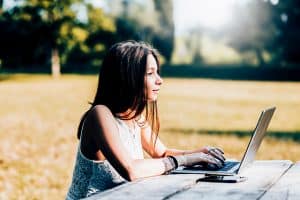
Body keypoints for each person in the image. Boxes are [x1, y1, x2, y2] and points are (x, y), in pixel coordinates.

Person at [66, 40, 226, 200]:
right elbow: (131, 170)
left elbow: (162, 153)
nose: (159, 80)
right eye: (150, 73)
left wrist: (201, 153)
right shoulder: (100, 114)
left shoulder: (135, 117)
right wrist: (185, 160)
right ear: (127, 77)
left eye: (157, 72)